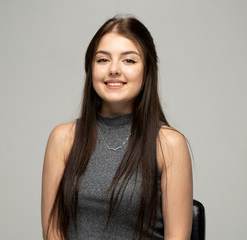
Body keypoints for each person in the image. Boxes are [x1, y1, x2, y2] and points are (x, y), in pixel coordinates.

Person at [41, 15, 193, 240]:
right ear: (90, 68)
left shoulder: (168, 144)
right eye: (102, 60)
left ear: (147, 71)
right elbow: (52, 232)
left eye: (129, 60)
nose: (113, 69)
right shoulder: (63, 139)